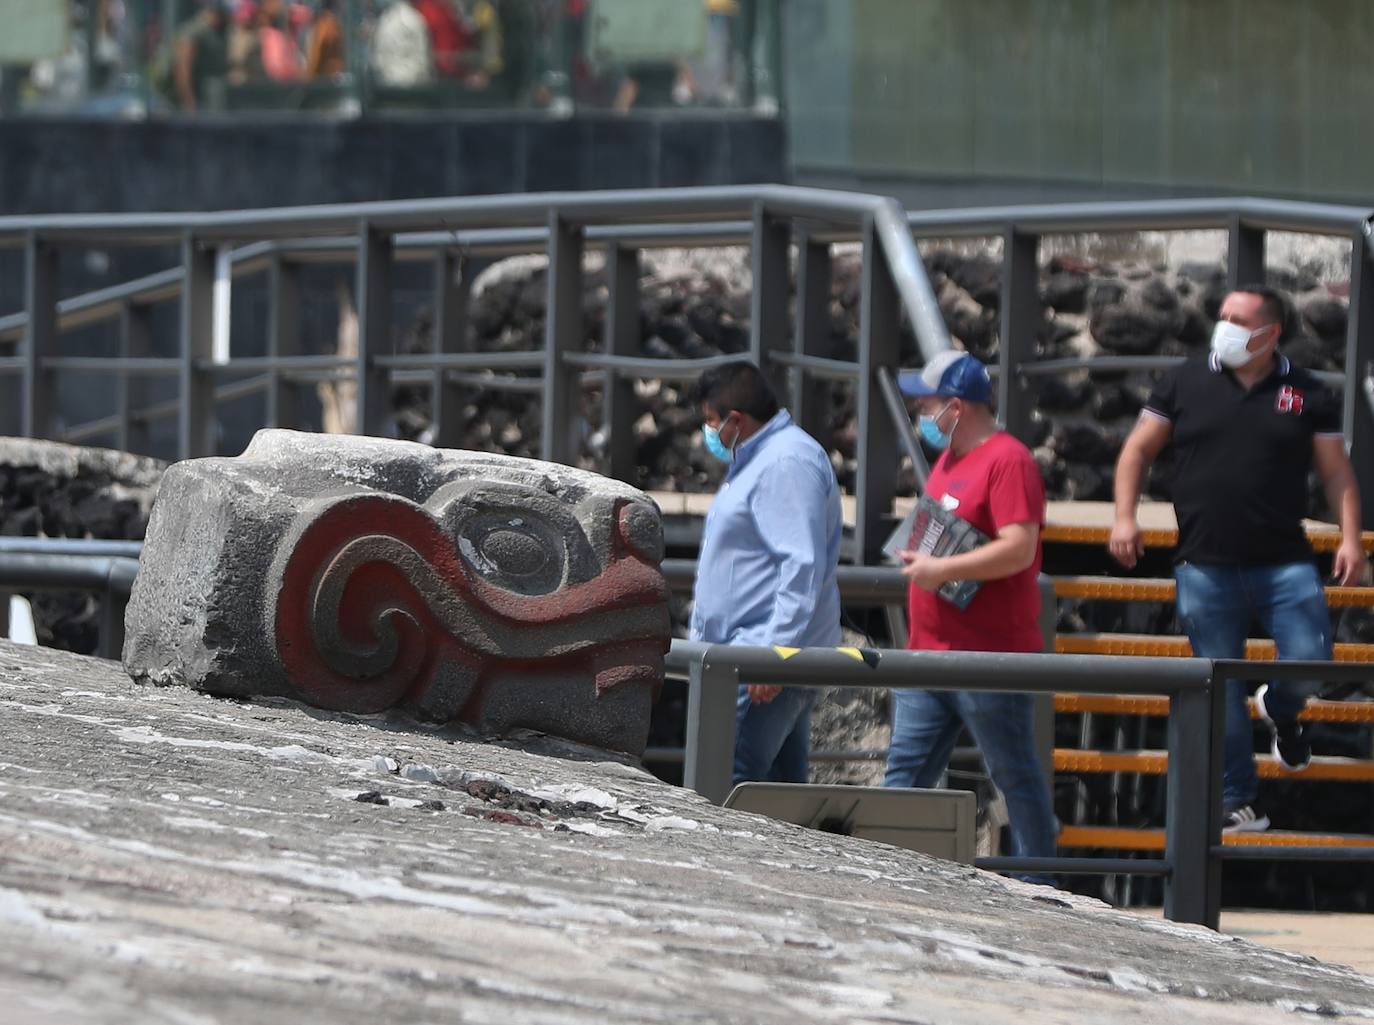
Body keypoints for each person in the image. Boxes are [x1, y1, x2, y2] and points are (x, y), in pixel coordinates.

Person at [1111, 284, 1365, 833]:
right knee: (1218, 681)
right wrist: (1124, 517)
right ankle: (1237, 799)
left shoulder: (1305, 391)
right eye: (1221, 314)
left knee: (1310, 659)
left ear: (1270, 333)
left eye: (1237, 318)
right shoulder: (1185, 380)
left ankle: (1282, 709)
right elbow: (1137, 449)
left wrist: (1350, 537)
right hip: (1204, 562)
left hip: (1284, 561)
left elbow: (1336, 472)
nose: (1222, 326)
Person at [883, 351, 1059, 882]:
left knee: (1015, 776)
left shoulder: (1010, 460)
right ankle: (887, 874)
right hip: (930, 654)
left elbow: (1019, 548)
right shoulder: (950, 457)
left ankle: (1042, 885)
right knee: (904, 777)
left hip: (989, 656)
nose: (920, 411)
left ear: (955, 407)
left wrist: (942, 569)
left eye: (927, 403)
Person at [689, 361, 842, 785]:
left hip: (758, 664)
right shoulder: (764, 456)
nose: (709, 433)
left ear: (736, 420)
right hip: (748, 661)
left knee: (727, 784)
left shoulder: (785, 464)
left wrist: (776, 654)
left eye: (711, 422)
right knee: (776, 792)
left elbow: (800, 563)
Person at [172, 0, 230, 111]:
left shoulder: (220, 30)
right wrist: (189, 100)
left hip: (211, 93)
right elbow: (183, 69)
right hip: (194, 93)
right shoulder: (195, 32)